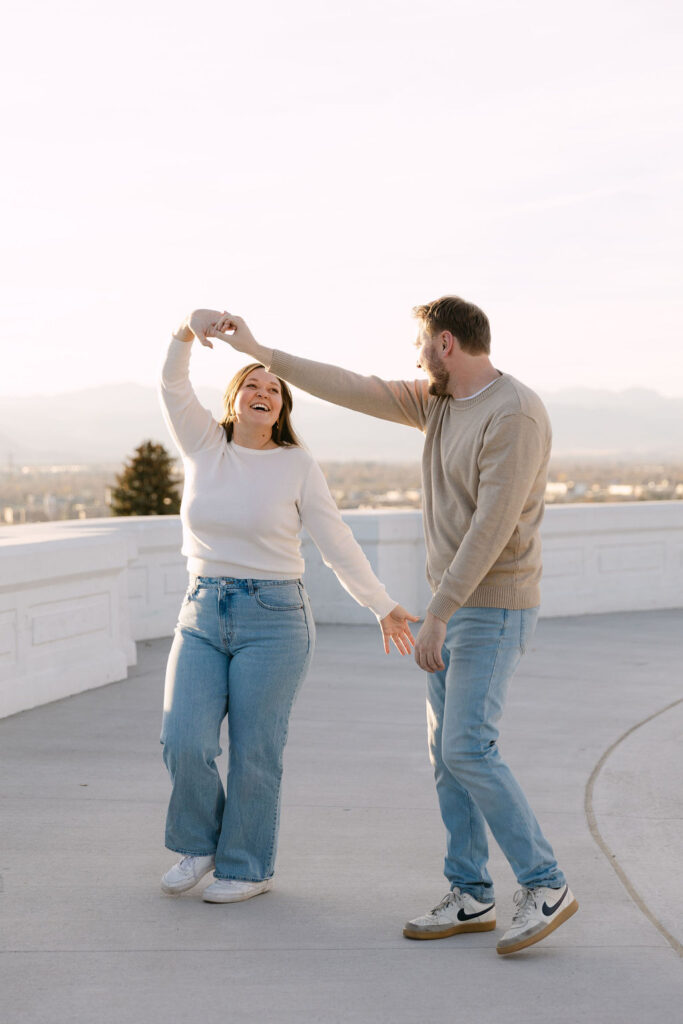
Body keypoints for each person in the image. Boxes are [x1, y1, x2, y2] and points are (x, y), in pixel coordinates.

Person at [208, 296, 579, 952]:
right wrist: (257, 351)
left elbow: (492, 526)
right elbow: (353, 388)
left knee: (468, 747)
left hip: (491, 606)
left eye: (417, 345)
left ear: (443, 344)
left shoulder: (513, 413)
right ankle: (470, 894)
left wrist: (437, 614)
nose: (412, 359)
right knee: (446, 758)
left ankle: (544, 882)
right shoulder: (436, 403)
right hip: (456, 604)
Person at [158, 308, 418, 904]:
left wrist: (381, 605)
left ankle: (247, 867)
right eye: (251, 383)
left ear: (282, 409)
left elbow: (336, 542)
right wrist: (184, 327)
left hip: (274, 621)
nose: (263, 391)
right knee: (183, 740)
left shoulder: (297, 465)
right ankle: (200, 843)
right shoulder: (203, 445)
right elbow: (172, 384)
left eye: (273, 388)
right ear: (233, 399)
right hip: (200, 611)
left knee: (256, 751)